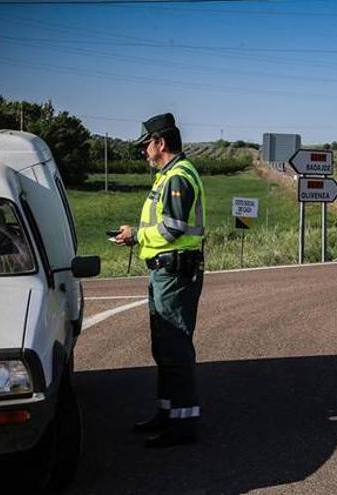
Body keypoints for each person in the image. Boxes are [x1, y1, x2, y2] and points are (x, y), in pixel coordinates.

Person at [114, 113, 207, 447]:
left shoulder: (178, 176)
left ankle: (182, 425)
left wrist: (135, 235)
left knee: (176, 348)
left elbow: (173, 228)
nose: (143, 152)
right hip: (164, 271)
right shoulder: (168, 176)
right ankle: (167, 413)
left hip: (175, 271)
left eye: (145, 145)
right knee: (164, 347)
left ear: (161, 143)